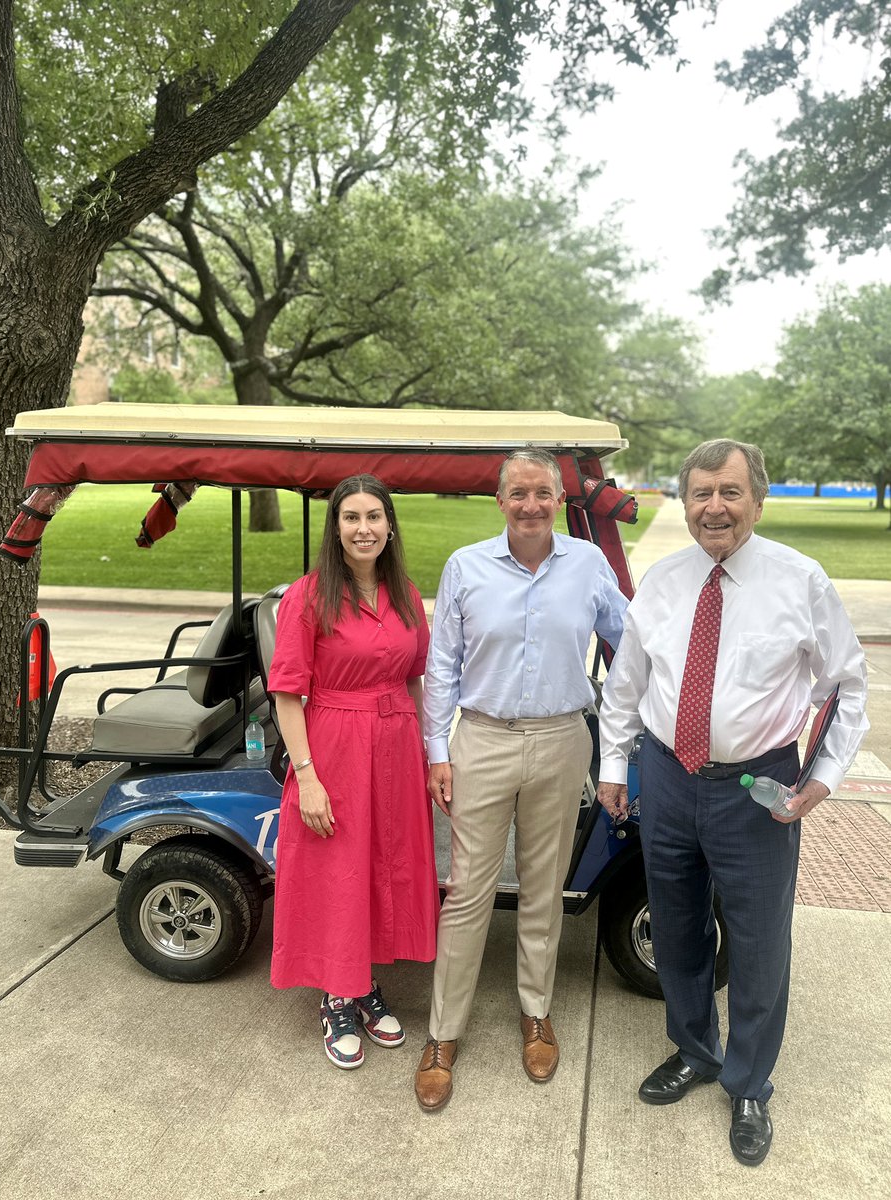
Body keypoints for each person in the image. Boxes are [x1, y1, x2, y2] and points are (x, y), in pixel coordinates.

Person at [596, 439, 869, 1166]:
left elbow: (848, 684)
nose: (713, 506)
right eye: (700, 493)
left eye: (730, 492)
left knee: (757, 943)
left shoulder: (799, 580)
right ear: (683, 502)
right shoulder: (661, 581)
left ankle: (748, 1081)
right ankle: (693, 1051)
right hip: (668, 777)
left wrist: (823, 778)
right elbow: (627, 682)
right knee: (679, 929)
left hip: (757, 791)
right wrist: (614, 764)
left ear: (757, 499)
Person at [414, 448, 627, 1111]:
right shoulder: (466, 567)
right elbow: (442, 661)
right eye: (519, 493)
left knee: (543, 887)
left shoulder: (587, 565)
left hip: (563, 739)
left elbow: (635, 643)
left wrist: (621, 714)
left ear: (559, 500)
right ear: (499, 500)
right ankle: (443, 1033)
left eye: (543, 493)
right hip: (483, 739)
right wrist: (436, 749)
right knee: (470, 891)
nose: (531, 504)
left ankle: (536, 1012)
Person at [268, 474, 439, 1069]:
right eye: (351, 518)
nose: (363, 528)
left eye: (373, 517)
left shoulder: (405, 594)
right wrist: (307, 776)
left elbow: (415, 676)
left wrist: (426, 752)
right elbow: (288, 694)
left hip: (395, 742)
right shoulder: (309, 597)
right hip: (335, 744)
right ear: (335, 527)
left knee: (379, 866)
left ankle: (363, 982)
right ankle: (337, 997)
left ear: (390, 525)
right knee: (338, 868)